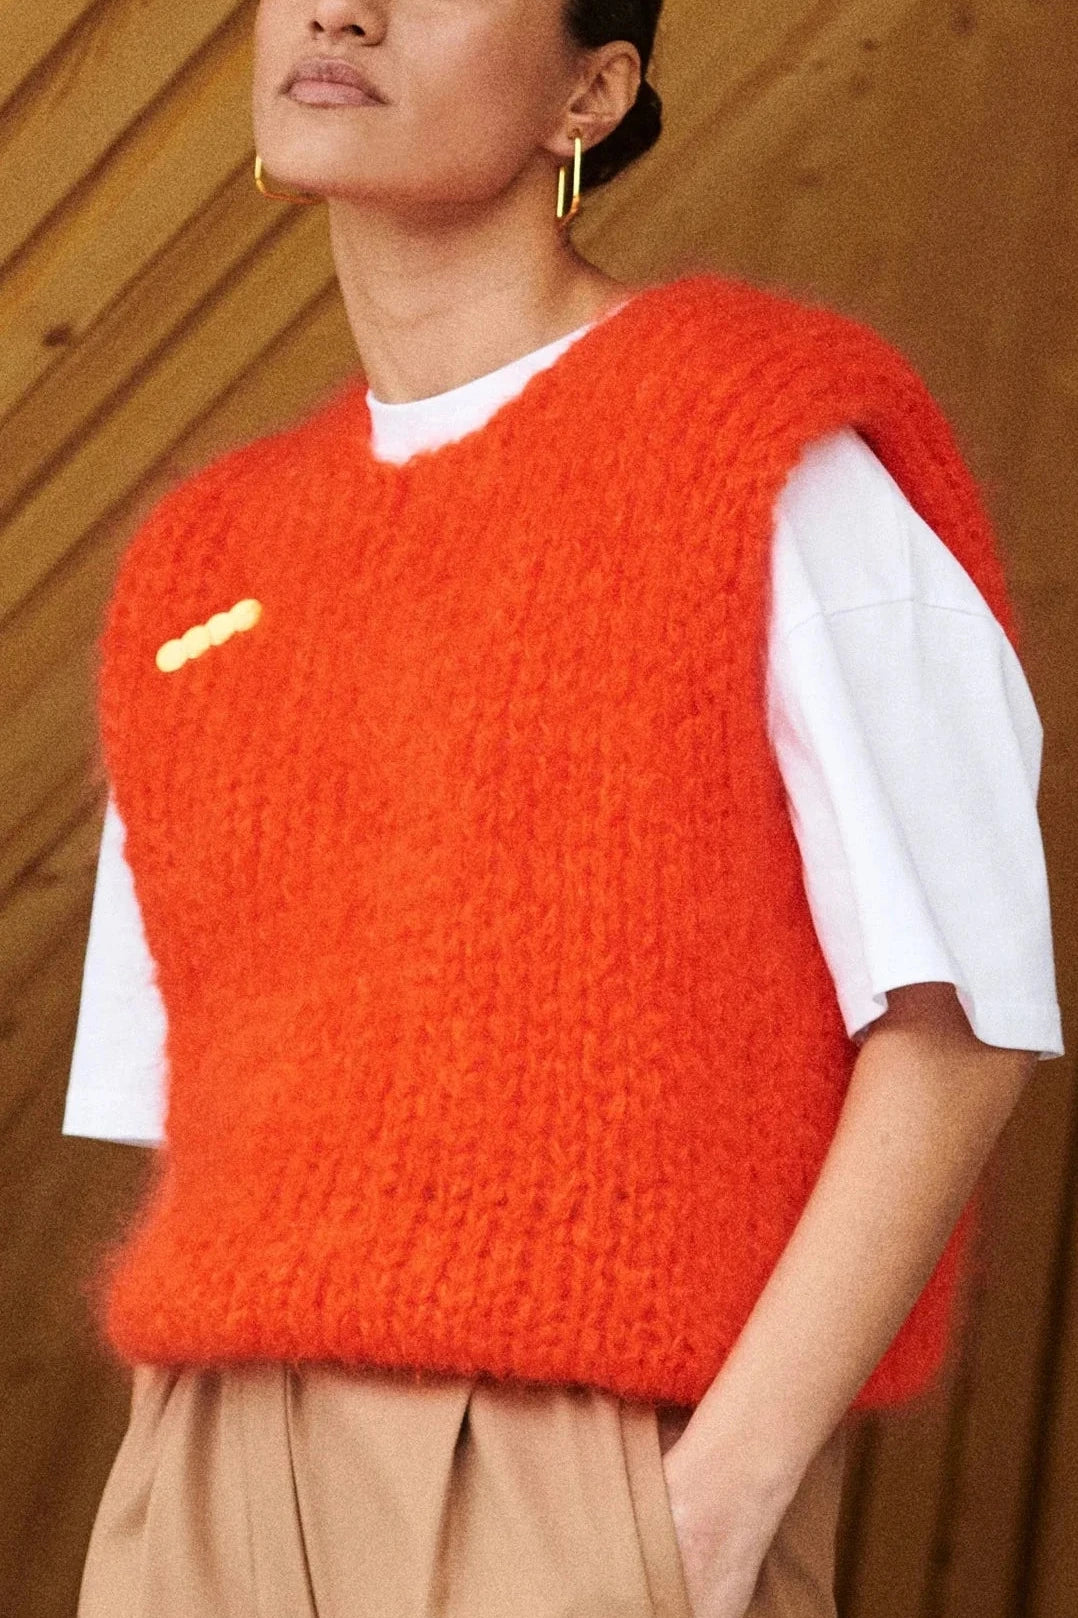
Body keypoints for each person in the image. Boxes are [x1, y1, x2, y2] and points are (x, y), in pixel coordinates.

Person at [67, 1, 1064, 1616]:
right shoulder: (203, 557)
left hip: (571, 1477)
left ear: (592, 93)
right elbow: (189, 1104)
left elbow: (962, 1023)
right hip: (204, 1468)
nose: (341, 7)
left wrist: (707, 1514)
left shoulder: (752, 440)